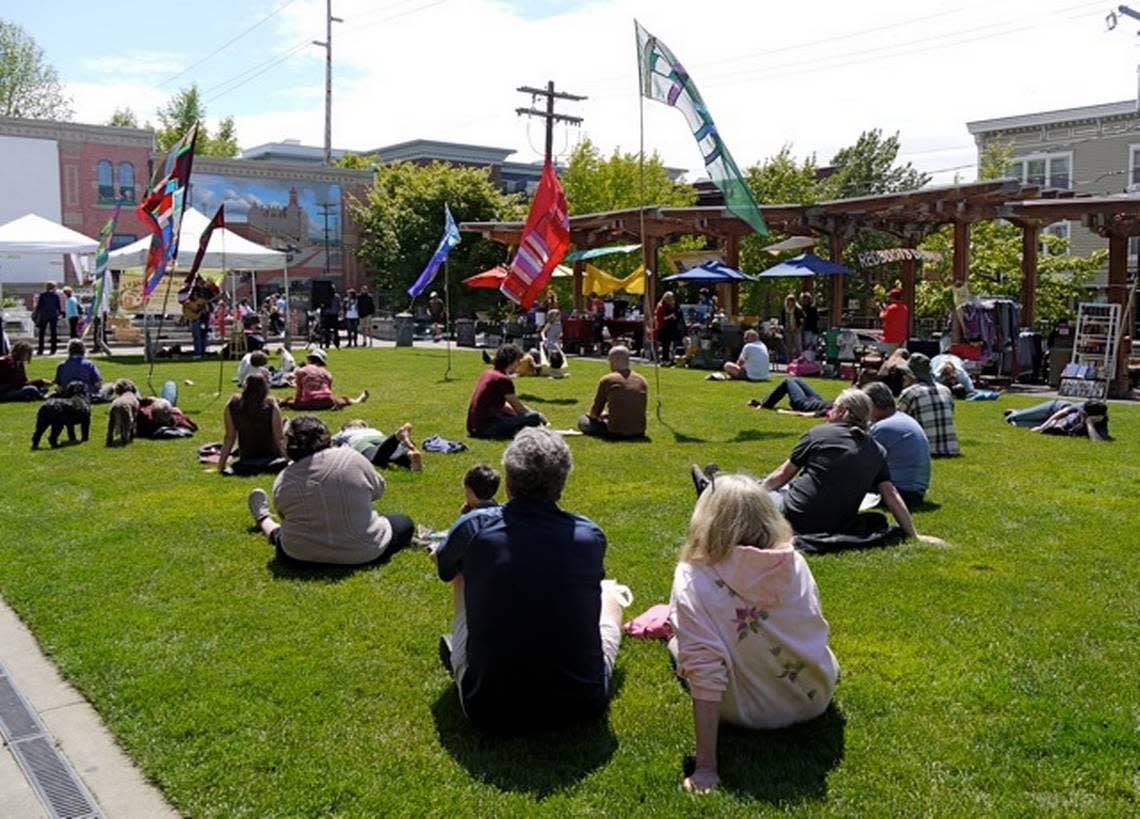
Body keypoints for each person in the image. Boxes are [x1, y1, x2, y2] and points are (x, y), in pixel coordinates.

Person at [434, 427, 629, 734]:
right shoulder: (589, 535)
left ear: (508, 482)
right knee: (610, 597)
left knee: (462, 574)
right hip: (580, 703)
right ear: (561, 484)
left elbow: (446, 569)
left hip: (487, 705)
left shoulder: (473, 528)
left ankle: (469, 651)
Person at [669, 474, 840, 794]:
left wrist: (706, 768)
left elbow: (705, 672)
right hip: (814, 696)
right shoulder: (795, 562)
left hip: (746, 713)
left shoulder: (692, 577)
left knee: (679, 646)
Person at [750, 389, 943, 540]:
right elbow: (891, 495)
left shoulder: (818, 434)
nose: (829, 411)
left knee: (757, 495)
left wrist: (756, 493)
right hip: (838, 523)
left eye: (833, 407)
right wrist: (913, 534)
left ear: (843, 411)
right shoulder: (876, 449)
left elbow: (782, 475)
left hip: (799, 516)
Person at [247, 416, 414, 567]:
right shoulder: (351, 457)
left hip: (300, 556)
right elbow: (378, 491)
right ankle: (264, 518)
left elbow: (286, 517)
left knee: (283, 535)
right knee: (404, 522)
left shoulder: (283, 480)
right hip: (364, 551)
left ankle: (264, 519)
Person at [864, 382, 930, 508]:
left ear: (873, 405)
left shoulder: (883, 427)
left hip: (900, 493)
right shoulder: (901, 419)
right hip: (915, 492)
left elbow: (863, 462)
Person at [465, 344, 546, 438]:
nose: (519, 364)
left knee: (514, 417)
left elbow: (505, 406)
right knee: (533, 418)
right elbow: (519, 409)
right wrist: (538, 416)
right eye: (518, 361)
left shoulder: (487, 373)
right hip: (487, 428)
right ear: (511, 361)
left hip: (473, 427)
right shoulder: (503, 380)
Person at [218, 371, 288, 476]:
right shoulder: (270, 404)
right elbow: (279, 438)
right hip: (271, 457)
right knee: (286, 422)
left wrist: (221, 465)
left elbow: (229, 437)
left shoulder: (232, 405)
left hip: (247, 457)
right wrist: (288, 460)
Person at [578, 345, 647, 438]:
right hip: (639, 431)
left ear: (615, 360)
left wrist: (596, 415)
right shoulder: (642, 380)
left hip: (615, 431)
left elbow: (594, 413)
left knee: (583, 420)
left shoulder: (608, 380)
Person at [898, 353, 960, 457]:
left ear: (911, 374)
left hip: (924, 450)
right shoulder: (945, 391)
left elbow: (898, 423)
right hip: (952, 449)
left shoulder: (910, 393)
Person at [281, 349, 368, 411]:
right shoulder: (327, 374)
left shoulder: (301, 371)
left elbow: (299, 394)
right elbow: (329, 391)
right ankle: (358, 400)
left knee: (287, 401)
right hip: (327, 402)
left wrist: (296, 404)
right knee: (343, 399)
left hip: (308, 402)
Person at [333, 419, 423, 471]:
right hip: (381, 439)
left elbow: (331, 440)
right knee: (394, 451)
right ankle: (409, 455)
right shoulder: (373, 430)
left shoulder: (345, 432)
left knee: (376, 458)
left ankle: (397, 436)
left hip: (361, 442)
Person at [1004, 399, 1110, 440]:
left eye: (1083, 414)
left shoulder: (1101, 423)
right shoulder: (1082, 406)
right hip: (1053, 409)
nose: (1080, 413)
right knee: (1012, 418)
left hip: (1056, 423)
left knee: (1017, 423)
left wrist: (1089, 423)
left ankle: (1022, 413)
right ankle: (1017, 412)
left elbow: (1098, 441)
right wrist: (1042, 427)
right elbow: (1060, 413)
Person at [750, 377, 832, 416]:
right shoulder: (843, 404)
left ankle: (765, 405)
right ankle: (764, 403)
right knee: (796, 380)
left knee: (787, 381)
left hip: (804, 405)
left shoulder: (838, 410)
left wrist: (786, 412)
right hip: (817, 400)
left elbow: (814, 414)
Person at [33, 281, 63, 356]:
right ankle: (53, 349)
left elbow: (39, 306)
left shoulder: (43, 295)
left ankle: (40, 349)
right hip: (53, 315)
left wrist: (36, 314)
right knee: (53, 332)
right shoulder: (55, 296)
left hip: (44, 314)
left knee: (42, 332)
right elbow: (58, 306)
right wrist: (60, 313)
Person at [654, 291, 683, 365]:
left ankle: (672, 358)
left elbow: (679, 312)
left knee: (673, 344)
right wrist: (669, 317)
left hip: (674, 327)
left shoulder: (675, 304)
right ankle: (665, 359)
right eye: (669, 298)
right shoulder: (661, 306)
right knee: (665, 344)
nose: (671, 299)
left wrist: (676, 315)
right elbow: (659, 318)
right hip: (665, 327)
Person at [879, 288, 909, 353]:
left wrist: (882, 310)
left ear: (892, 297)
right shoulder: (905, 308)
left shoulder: (892, 308)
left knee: (890, 359)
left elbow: (882, 317)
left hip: (891, 339)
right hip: (902, 339)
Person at [780, 294, 803, 362]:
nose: (791, 302)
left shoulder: (798, 309)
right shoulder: (784, 310)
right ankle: (789, 360)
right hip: (787, 330)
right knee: (789, 346)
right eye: (789, 301)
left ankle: (800, 360)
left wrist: (800, 326)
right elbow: (782, 320)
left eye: (792, 301)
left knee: (798, 346)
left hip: (796, 329)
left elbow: (802, 318)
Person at [800, 292, 820, 360]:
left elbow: (817, 318)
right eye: (804, 299)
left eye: (807, 299)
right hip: (806, 329)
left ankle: (813, 359)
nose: (805, 301)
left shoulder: (813, 308)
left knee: (813, 345)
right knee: (807, 345)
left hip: (814, 329)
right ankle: (808, 359)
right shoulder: (802, 309)